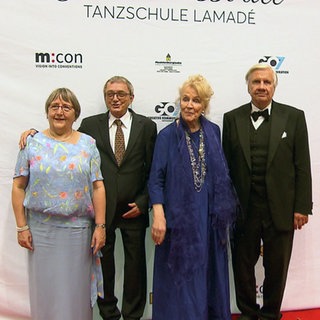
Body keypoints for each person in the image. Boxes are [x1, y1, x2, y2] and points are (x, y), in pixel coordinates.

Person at [19, 77, 157, 320]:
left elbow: (153, 168)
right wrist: (32, 133)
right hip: (100, 210)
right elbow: (63, 139)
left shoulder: (147, 126)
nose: (115, 98)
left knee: (135, 268)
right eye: (110, 94)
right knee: (105, 267)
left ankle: (133, 315)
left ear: (131, 98)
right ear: (105, 97)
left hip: (133, 209)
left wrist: (144, 202)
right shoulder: (90, 126)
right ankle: (109, 315)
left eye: (121, 94)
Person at [222, 64, 313, 320]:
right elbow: (225, 169)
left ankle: (271, 313)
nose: (261, 86)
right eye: (256, 82)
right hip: (242, 210)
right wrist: (225, 207)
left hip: (281, 209)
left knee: (277, 267)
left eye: (266, 82)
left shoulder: (293, 117)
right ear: (248, 86)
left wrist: (302, 206)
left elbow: (302, 165)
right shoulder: (232, 118)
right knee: (242, 267)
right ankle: (249, 313)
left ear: (274, 86)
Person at [148, 75, 238, 320]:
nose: (189, 105)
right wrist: (158, 215)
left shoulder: (214, 131)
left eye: (196, 100)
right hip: (178, 221)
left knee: (207, 275)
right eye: (185, 99)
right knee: (181, 278)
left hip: (209, 220)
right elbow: (156, 179)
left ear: (204, 105)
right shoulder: (167, 135)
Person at [12, 88, 106, 320]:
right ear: (47, 112)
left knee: (76, 292)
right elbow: (18, 186)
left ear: (76, 114)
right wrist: (22, 227)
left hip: (78, 233)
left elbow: (98, 187)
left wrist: (100, 227)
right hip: (41, 233)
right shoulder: (31, 144)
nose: (60, 112)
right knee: (46, 291)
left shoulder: (88, 144)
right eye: (54, 106)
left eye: (66, 107)